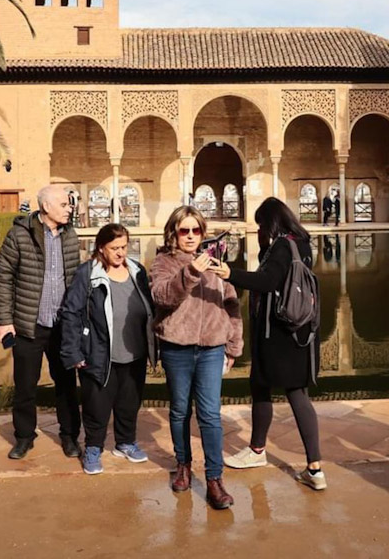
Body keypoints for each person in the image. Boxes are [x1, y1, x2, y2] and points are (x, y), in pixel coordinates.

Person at [213, 198, 326, 490]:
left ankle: (257, 450)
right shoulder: (301, 243)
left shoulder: (280, 247)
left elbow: (267, 282)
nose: (259, 229)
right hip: (300, 332)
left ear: (270, 222)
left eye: (261, 224)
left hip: (276, 334)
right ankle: (315, 469)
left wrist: (229, 273)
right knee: (298, 394)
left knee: (260, 386)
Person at [150, 206, 243, 509]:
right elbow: (162, 296)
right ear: (174, 233)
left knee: (210, 415)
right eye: (184, 231)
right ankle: (183, 466)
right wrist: (191, 272)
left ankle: (215, 479)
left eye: (196, 230)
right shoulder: (164, 262)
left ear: (203, 233)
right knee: (179, 411)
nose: (191, 236)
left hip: (211, 349)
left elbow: (231, 303)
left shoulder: (215, 262)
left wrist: (233, 346)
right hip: (177, 348)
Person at [0, 184, 83, 460]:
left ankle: (69, 436)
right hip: (28, 325)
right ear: (46, 207)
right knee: (25, 387)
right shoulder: (19, 235)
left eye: (69, 205)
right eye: (64, 205)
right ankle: (24, 437)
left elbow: (77, 278)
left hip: (62, 327)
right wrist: (4, 321)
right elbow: (3, 278)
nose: (70, 209)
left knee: (66, 384)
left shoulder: (70, 235)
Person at [60, 223, 157, 475]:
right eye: (114, 248)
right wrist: (73, 352)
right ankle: (93, 448)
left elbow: (149, 308)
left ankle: (125, 443)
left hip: (134, 352)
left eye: (124, 247)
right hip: (100, 353)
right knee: (97, 405)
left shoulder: (137, 271)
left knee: (129, 402)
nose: (120, 253)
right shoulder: (87, 274)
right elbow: (71, 312)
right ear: (101, 248)